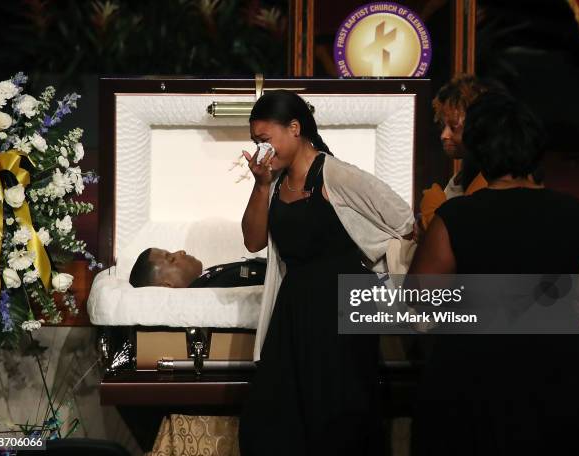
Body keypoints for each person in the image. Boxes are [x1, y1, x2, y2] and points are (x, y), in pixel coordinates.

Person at [409, 91, 579, 455]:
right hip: (557, 367)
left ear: (479, 150)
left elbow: (420, 296)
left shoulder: (456, 217)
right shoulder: (574, 213)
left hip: (472, 367)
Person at [238, 89, 414, 456]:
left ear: (295, 128)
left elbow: (405, 221)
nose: (261, 151)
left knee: (339, 414)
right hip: (295, 308)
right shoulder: (272, 182)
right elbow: (253, 241)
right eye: (256, 142)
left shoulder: (338, 175)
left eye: (266, 140)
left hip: (343, 308)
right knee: (273, 418)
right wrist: (260, 183)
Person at [416, 75, 489, 240]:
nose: (444, 135)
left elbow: (458, 236)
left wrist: (430, 209)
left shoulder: (488, 178)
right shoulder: (463, 175)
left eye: (453, 127)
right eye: (443, 126)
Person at [129, 248, 266, 288]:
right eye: (171, 258)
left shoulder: (208, 279)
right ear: (167, 285)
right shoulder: (212, 292)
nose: (181, 252)